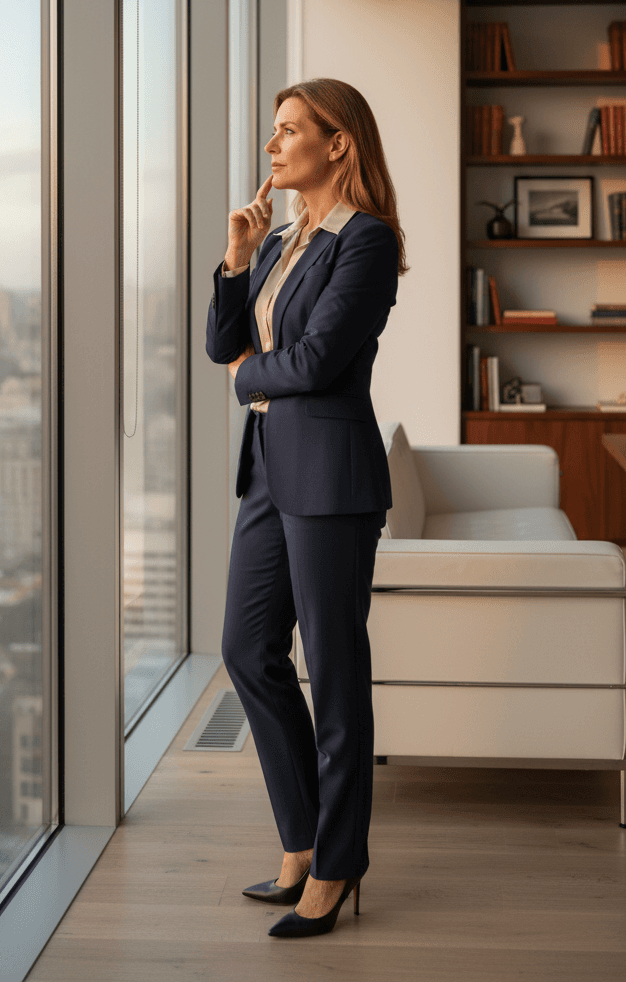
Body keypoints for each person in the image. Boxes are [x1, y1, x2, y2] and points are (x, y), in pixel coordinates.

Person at [206, 78, 407, 939]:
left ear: (338, 144)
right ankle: (299, 839)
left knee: (334, 667)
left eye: (290, 131)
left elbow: (319, 360)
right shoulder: (284, 239)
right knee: (247, 650)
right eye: (273, 130)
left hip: (329, 477)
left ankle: (336, 862)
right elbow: (225, 341)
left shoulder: (367, 241)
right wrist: (238, 257)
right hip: (267, 473)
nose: (271, 146)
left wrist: (249, 378)